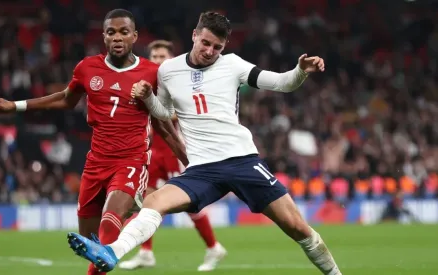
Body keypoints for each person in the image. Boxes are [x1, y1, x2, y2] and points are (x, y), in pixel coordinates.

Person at [67, 11, 342, 275]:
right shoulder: (169, 71)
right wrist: (150, 97)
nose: (210, 51)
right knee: (154, 201)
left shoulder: (233, 64)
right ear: (194, 35)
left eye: (217, 47)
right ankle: (112, 252)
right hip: (202, 169)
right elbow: (163, 113)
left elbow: (282, 83)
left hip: (242, 161)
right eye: (206, 43)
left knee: (297, 228)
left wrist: (300, 71)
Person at [0, 9, 186, 275]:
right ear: (103, 36)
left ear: (134, 36)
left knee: (110, 224)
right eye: (111, 32)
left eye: (124, 32)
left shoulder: (151, 73)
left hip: (131, 161)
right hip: (96, 163)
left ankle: (132, 208)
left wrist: (193, 164)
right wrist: (14, 106)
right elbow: (66, 98)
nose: (117, 37)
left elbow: (164, 125)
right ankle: (128, 223)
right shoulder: (88, 68)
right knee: (91, 242)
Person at [118, 40, 226, 272]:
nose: (158, 60)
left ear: (171, 59)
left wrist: (152, 106)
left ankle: (213, 246)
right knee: (147, 201)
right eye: (154, 56)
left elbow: (181, 113)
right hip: (152, 150)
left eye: (162, 56)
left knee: (187, 202)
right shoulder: (145, 82)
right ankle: (146, 253)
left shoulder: (179, 82)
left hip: (172, 149)